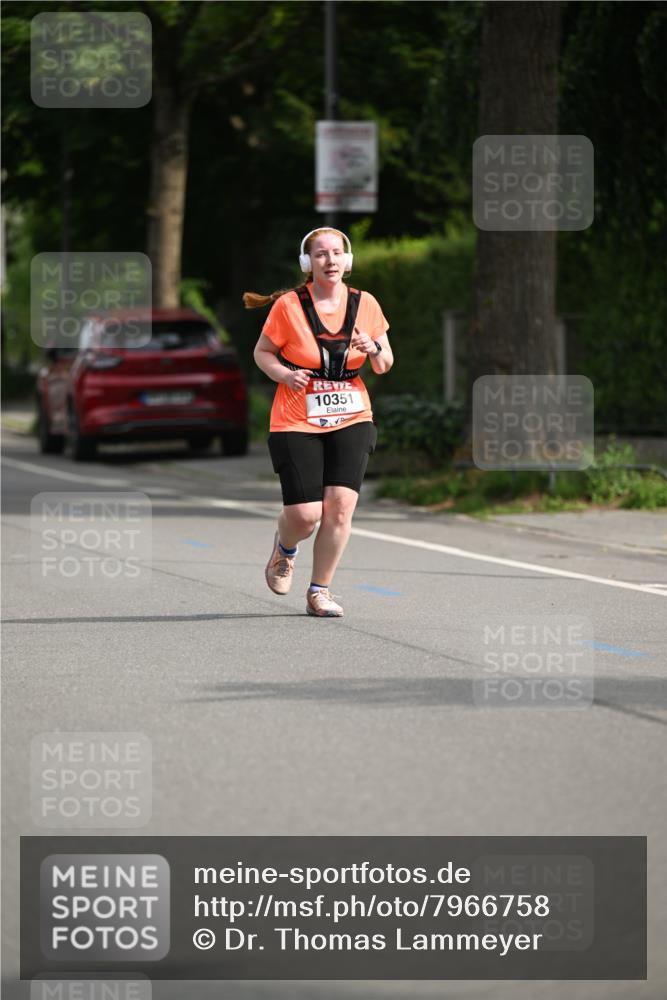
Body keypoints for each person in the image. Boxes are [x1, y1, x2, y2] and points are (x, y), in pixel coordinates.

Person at [245, 227, 393, 618]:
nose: (330, 260)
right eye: (321, 254)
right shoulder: (290, 306)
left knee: (341, 507)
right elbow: (262, 352)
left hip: (352, 412)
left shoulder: (366, 304)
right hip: (296, 415)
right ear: (307, 263)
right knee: (306, 514)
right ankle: (285, 548)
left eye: (336, 253)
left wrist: (372, 347)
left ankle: (319, 591)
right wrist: (282, 374)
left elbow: (384, 363)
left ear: (347, 261)